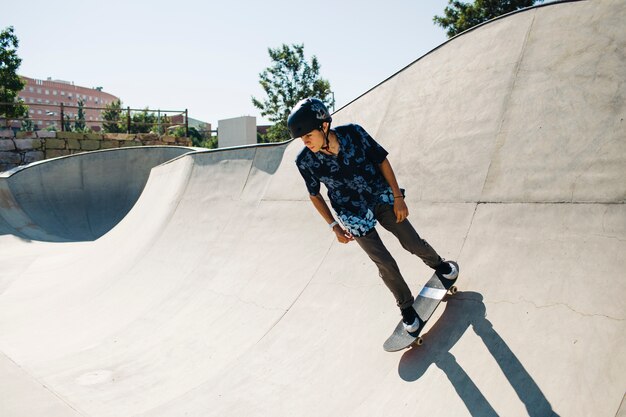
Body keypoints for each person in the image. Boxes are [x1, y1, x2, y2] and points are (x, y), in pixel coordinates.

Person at [290, 97, 458, 332]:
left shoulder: (354, 133)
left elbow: (382, 161)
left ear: (324, 126)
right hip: (352, 213)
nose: (305, 142)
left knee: (411, 242)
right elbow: (315, 194)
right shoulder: (304, 161)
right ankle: (407, 308)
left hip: (380, 196)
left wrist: (398, 197)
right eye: (301, 138)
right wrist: (333, 226)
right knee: (384, 262)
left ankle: (438, 265)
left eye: (308, 135)